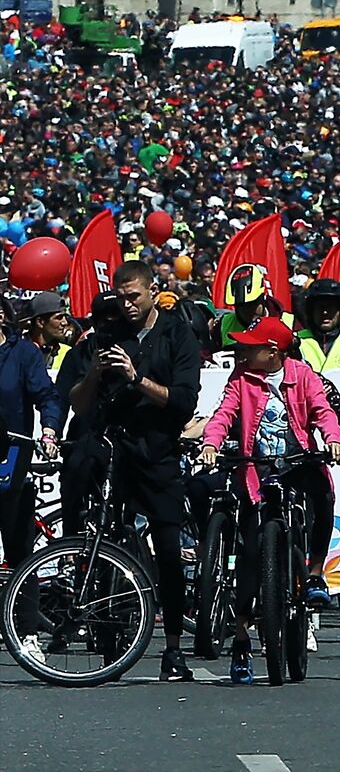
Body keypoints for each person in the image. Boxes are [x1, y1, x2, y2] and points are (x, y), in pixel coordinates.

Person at [65, 260, 203, 682]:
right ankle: (108, 628)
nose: (126, 305)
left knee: (166, 548)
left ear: (152, 291)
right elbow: (79, 403)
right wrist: (93, 373)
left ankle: (175, 646)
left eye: (134, 296)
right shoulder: (108, 337)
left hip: (158, 451)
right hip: (116, 448)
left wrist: (135, 376)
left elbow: (183, 401)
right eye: (120, 297)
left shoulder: (176, 334)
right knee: (106, 535)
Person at [198, 317, 340, 684]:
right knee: (250, 553)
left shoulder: (303, 375)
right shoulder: (241, 379)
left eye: (250, 347)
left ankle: (313, 574)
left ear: (273, 352)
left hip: (298, 464)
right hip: (256, 470)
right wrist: (212, 443)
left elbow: (323, 411)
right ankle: (243, 637)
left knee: (323, 496)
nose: (242, 352)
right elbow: (223, 416)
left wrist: (333, 437)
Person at [0, 300, 62, 665]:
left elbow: (46, 396)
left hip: (11, 459)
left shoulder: (22, 353)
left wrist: (50, 429)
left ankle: (27, 633)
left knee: (20, 549)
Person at [214, 263, 291, 352]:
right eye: (241, 306)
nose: (247, 310)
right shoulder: (223, 325)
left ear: (262, 297)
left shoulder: (288, 323)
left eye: (252, 304)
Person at [295, 278, 340, 373]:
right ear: (311, 310)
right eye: (319, 307)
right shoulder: (296, 341)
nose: (325, 312)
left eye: (330, 307)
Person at [20, 291, 73, 371]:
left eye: (65, 317)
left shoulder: (68, 353)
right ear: (40, 322)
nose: (65, 323)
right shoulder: (16, 351)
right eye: (59, 317)